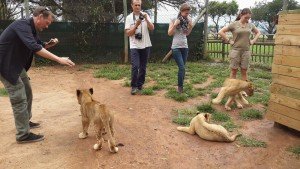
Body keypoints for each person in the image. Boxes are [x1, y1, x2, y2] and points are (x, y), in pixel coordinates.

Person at [0, 6, 75, 144]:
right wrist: (59, 59)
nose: (47, 27)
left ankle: (25, 121)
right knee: (18, 96)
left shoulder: (31, 28)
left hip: (15, 64)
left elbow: (38, 45)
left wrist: (49, 44)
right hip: (5, 64)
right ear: (40, 16)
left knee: (27, 90)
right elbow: (35, 47)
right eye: (47, 23)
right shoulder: (22, 25)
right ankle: (23, 134)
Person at [218, 8, 261, 81]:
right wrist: (228, 40)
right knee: (234, 71)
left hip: (246, 51)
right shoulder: (234, 24)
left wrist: (253, 41)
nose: (247, 19)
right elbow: (221, 32)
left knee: (244, 71)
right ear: (241, 15)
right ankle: (232, 89)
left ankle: (243, 90)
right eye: (246, 17)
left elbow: (258, 32)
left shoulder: (251, 25)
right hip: (235, 51)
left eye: (249, 18)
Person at [125, 0, 154, 95]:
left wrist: (147, 19)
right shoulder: (129, 18)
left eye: (139, 5)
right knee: (135, 66)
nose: (137, 7)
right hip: (134, 46)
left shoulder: (145, 15)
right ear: (132, 6)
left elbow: (152, 28)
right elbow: (128, 33)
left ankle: (140, 84)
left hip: (146, 45)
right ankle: (133, 86)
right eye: (135, 5)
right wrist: (136, 25)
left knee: (143, 67)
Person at [168, 3, 193, 93]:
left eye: (188, 13)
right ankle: (180, 87)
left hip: (185, 46)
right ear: (181, 11)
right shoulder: (174, 19)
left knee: (183, 68)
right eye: (186, 13)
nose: (187, 15)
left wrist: (191, 26)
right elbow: (169, 33)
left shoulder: (188, 19)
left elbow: (187, 33)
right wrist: (175, 25)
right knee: (182, 67)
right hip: (176, 47)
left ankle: (180, 85)